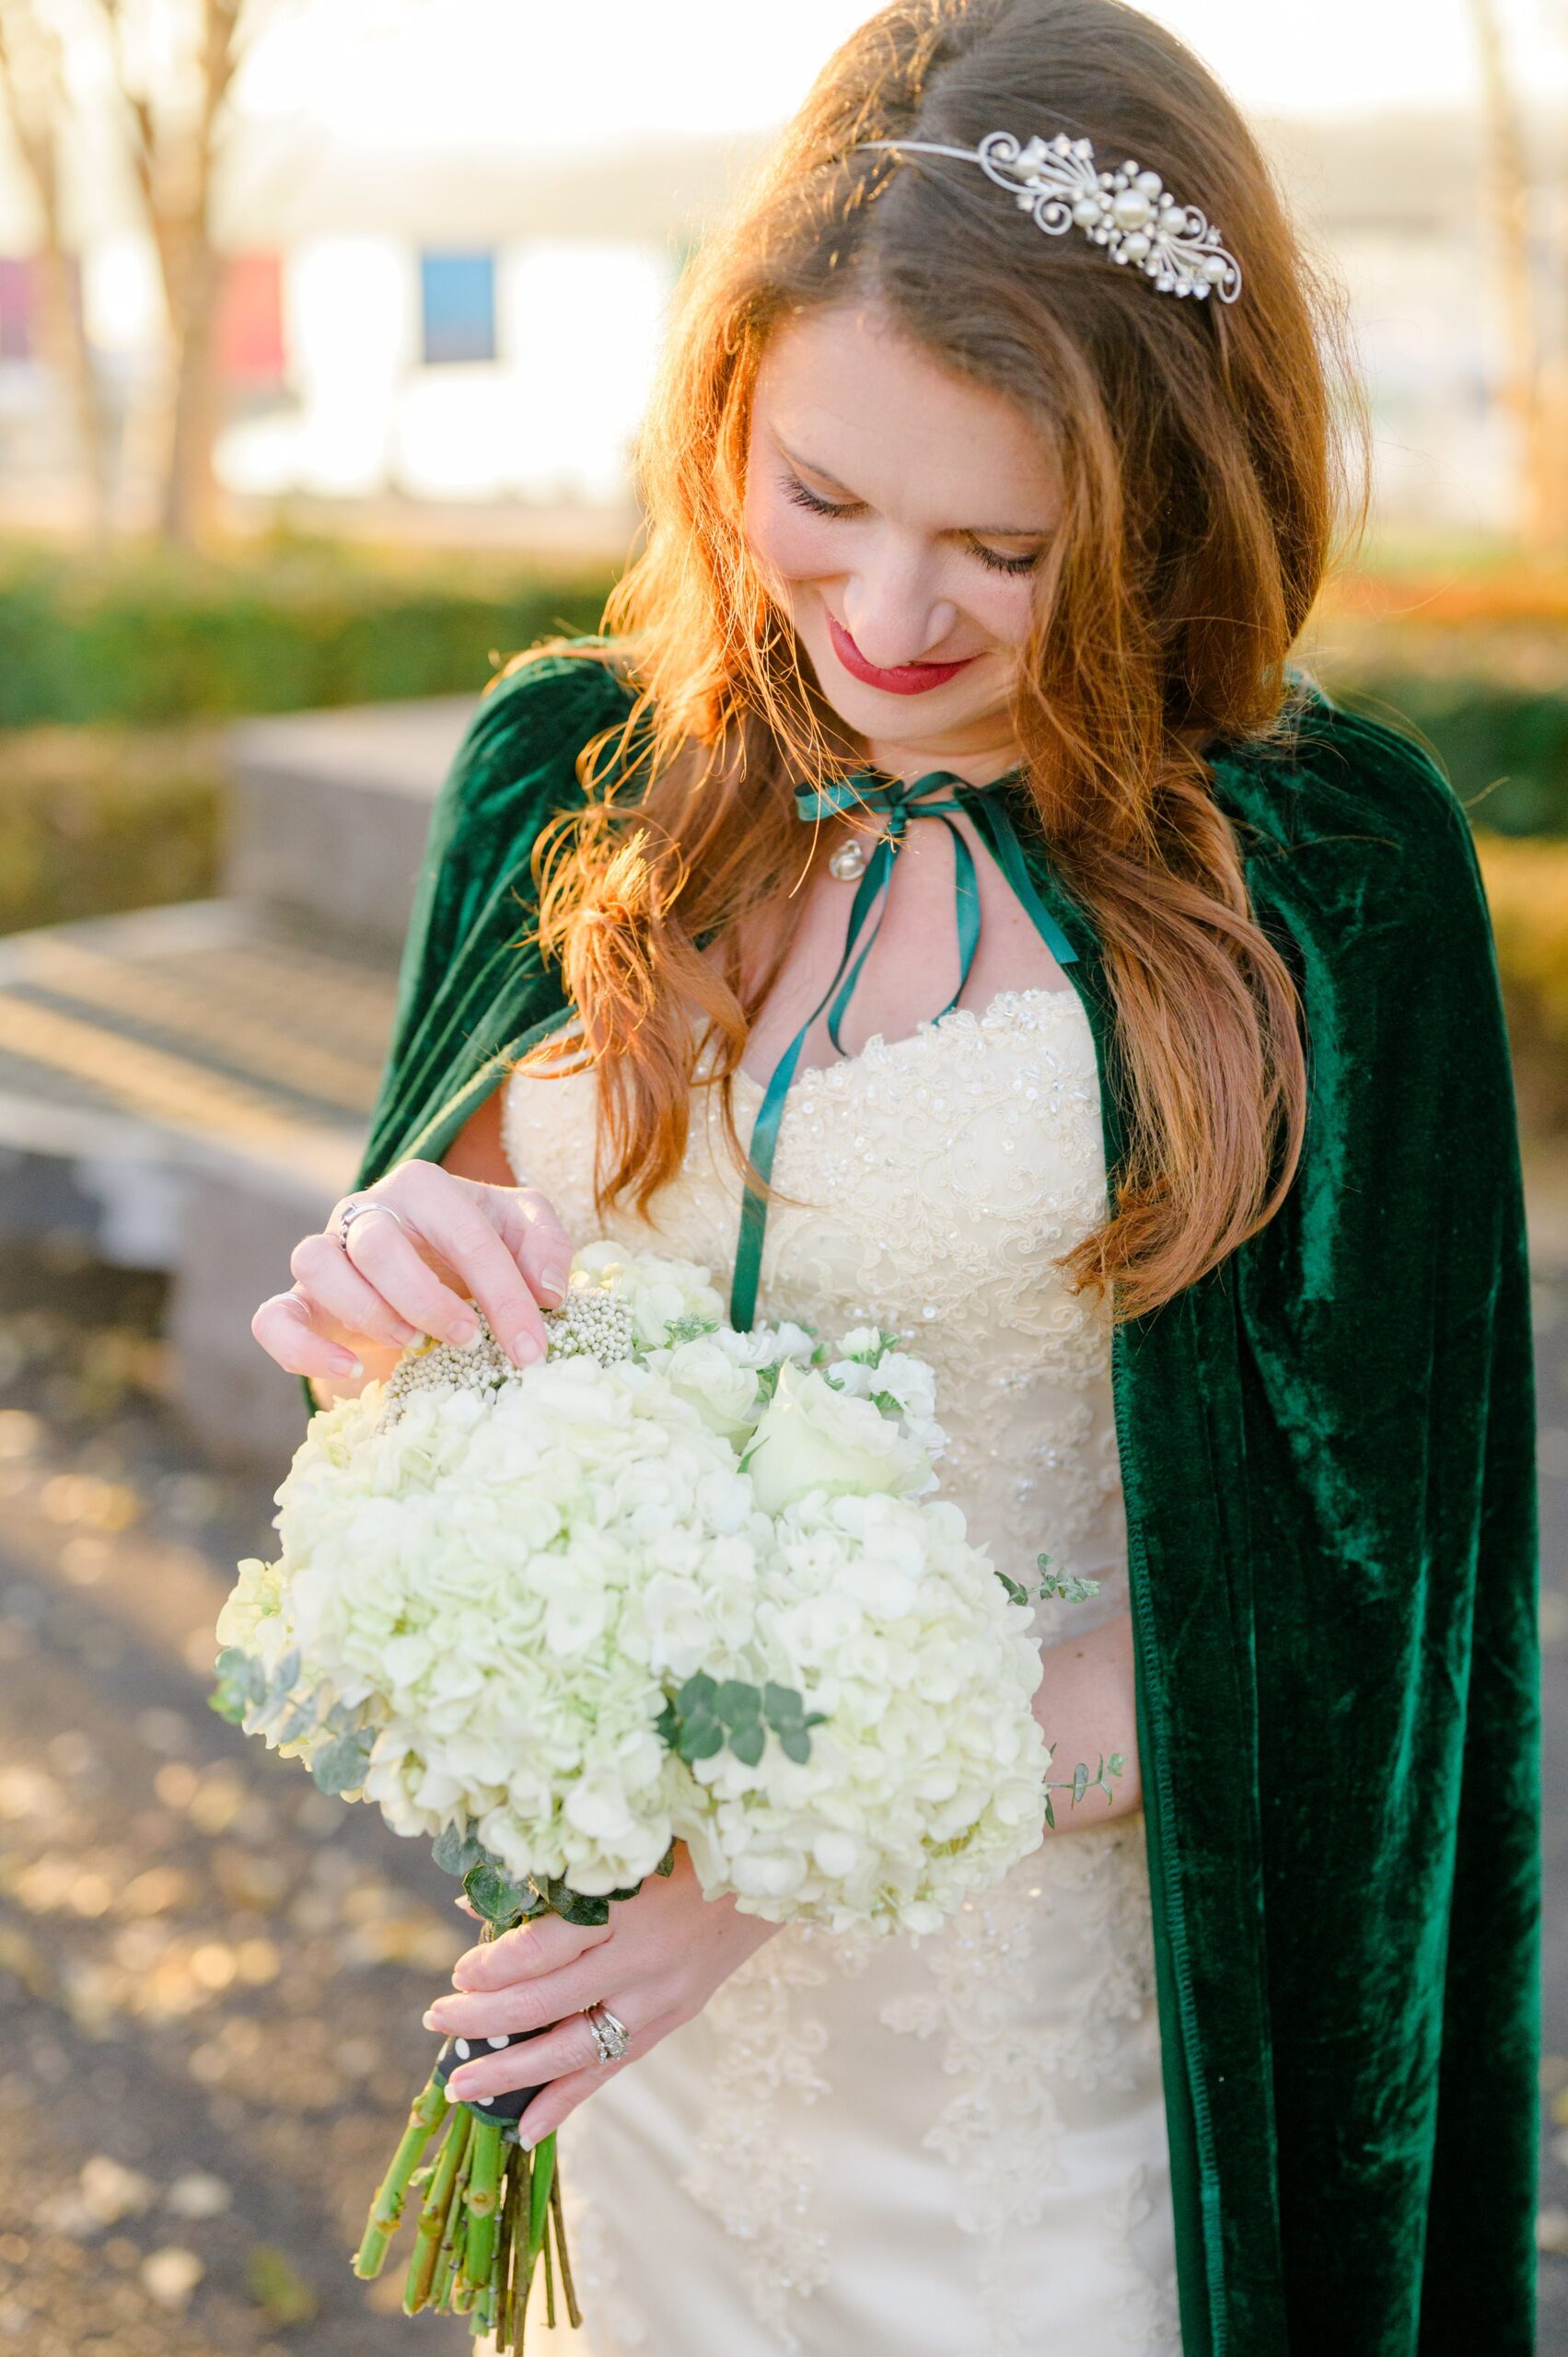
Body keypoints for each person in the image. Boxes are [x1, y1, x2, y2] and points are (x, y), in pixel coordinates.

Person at [250, 3, 1540, 2351]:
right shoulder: (566, 771)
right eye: (821, 499)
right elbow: (427, 1397)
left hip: (1039, 2117)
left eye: (1005, 546)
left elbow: (1355, 1607)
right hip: (613, 2073)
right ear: (723, 407)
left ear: (1173, 504)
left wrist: (757, 1859)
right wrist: (375, 1300)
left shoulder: (1328, 879)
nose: (886, 621)